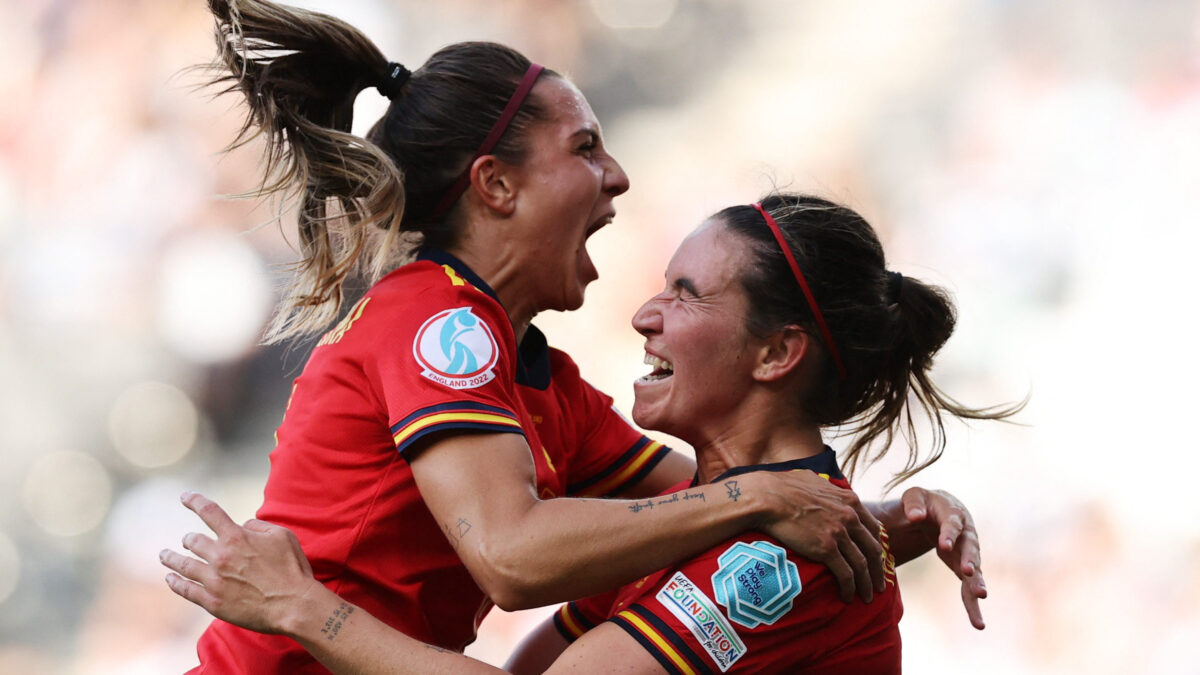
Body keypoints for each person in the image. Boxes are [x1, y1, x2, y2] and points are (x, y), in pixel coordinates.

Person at [176, 1, 988, 672]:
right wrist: (780, 497)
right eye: (585, 147)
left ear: (779, 352)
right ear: (496, 186)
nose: (618, 177)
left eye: (686, 291)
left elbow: (715, 502)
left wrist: (878, 519)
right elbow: (515, 555)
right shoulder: (442, 322)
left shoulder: (544, 382)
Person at [162, 194, 1019, 673]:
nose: (645, 313)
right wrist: (884, 513)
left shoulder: (766, 561)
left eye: (685, 293)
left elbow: (511, 562)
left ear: (777, 352)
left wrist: (304, 608)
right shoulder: (705, 522)